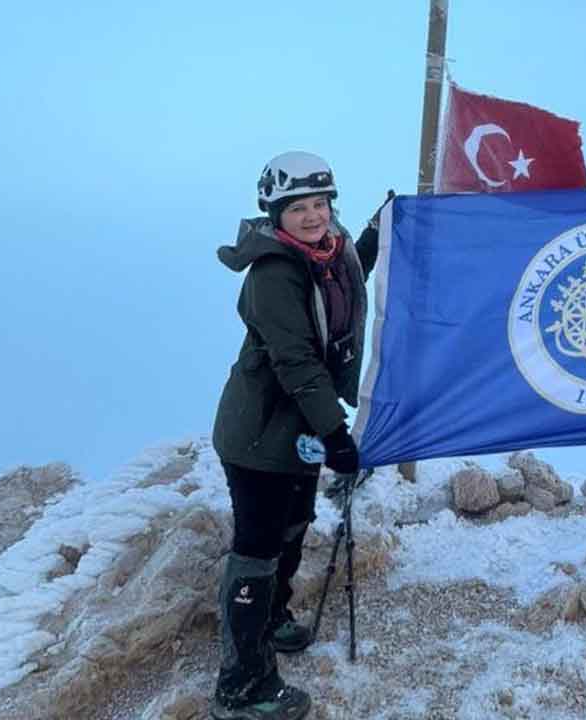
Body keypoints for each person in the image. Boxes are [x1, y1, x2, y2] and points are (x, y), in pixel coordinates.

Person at [209, 150, 384, 719]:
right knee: (258, 548)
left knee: (292, 527)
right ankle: (242, 684)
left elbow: (339, 282)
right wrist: (338, 435)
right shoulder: (272, 273)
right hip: (259, 436)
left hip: (299, 431)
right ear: (274, 213)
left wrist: (375, 241)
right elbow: (297, 361)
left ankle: (272, 618)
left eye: (320, 203)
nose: (313, 216)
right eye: (298, 208)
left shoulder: (327, 255)